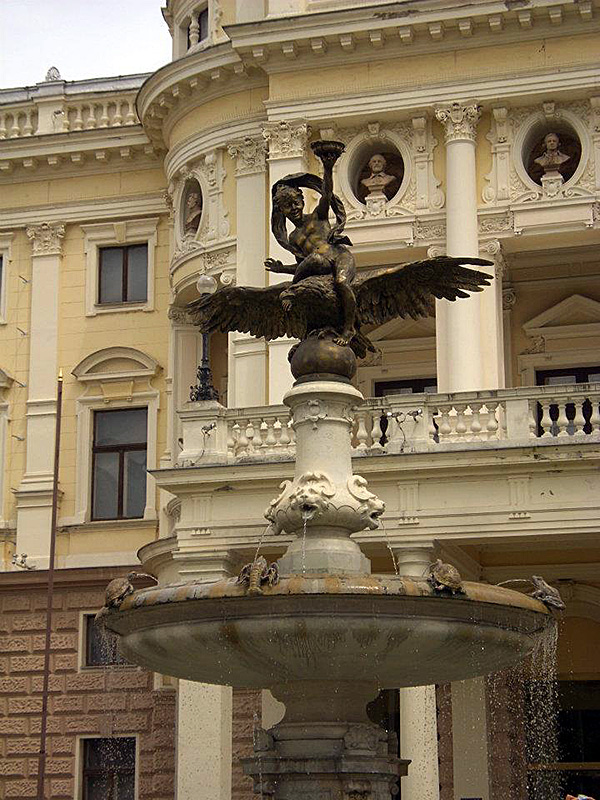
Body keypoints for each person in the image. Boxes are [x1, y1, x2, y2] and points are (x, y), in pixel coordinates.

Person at [264, 147, 357, 347]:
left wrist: (328, 168)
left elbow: (327, 194)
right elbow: (303, 267)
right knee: (314, 259)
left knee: (341, 282)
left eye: (296, 203)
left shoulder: (318, 216)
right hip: (320, 265)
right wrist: (282, 269)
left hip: (339, 257)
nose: (294, 208)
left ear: (302, 200)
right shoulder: (294, 238)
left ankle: (349, 328)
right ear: (281, 210)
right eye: (288, 206)